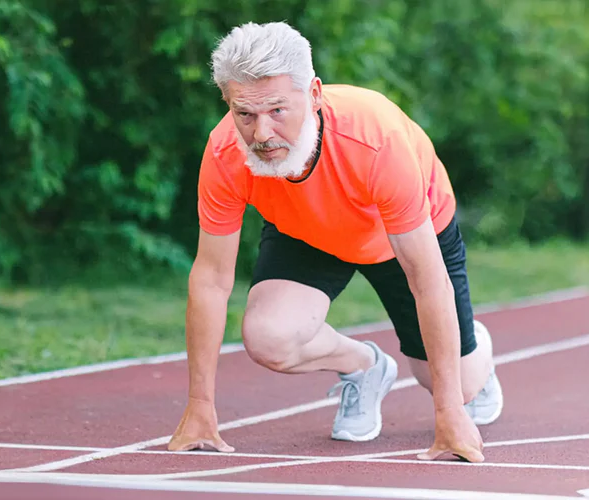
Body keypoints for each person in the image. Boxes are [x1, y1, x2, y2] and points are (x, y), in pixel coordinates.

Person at [165, 21, 504, 463]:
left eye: (277, 111)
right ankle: (363, 366)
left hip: (398, 232)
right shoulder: (225, 152)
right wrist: (200, 407)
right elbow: (211, 279)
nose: (261, 134)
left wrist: (450, 412)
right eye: (244, 114)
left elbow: (426, 279)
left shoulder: (376, 139)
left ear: (315, 95)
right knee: (268, 338)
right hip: (307, 228)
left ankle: (471, 345)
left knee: (455, 384)